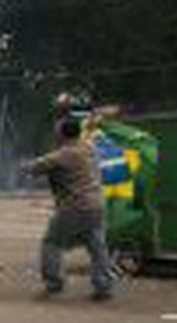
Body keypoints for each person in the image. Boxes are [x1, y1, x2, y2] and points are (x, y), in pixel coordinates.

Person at [22, 117, 115, 300]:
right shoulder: (90, 149)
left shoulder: (64, 154)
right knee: (97, 247)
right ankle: (103, 287)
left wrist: (23, 165)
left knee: (51, 242)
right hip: (97, 204)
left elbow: (34, 168)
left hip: (75, 206)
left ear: (62, 133)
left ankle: (54, 284)